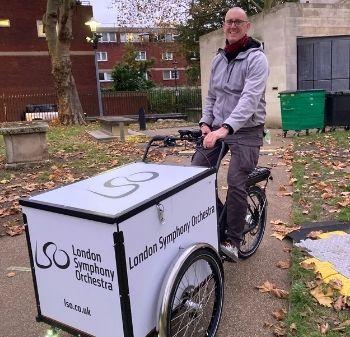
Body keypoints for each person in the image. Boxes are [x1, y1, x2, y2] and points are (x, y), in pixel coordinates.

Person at [191, 7, 269, 262]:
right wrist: (206, 122)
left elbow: (249, 100)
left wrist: (225, 128)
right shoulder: (219, 59)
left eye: (238, 22)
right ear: (224, 26)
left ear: (247, 26)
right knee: (196, 175)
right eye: (228, 22)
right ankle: (221, 219)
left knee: (235, 180)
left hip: (246, 131)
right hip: (219, 128)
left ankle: (233, 240)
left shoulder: (257, 59)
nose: (232, 26)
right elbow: (212, 96)